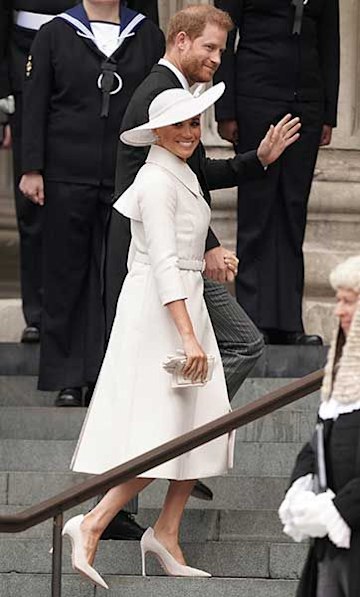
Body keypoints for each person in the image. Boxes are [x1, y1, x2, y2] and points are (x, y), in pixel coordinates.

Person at [63, 80, 300, 590]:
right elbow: (165, 267)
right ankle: (93, 522)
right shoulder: (153, 182)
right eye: (180, 124)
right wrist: (190, 338)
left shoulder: (180, 174)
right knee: (169, 432)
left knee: (203, 424)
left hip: (185, 302)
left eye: (195, 124)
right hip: (160, 314)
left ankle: (166, 532)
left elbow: (184, 254)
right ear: (157, 132)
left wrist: (211, 260)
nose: (190, 133)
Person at [106, 2, 301, 509]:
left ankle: (173, 468)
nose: (218, 58)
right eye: (210, 47)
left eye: (221, 48)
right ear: (182, 41)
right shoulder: (161, 93)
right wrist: (210, 246)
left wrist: (255, 160)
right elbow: (149, 186)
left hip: (175, 262)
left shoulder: (173, 92)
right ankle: (182, 453)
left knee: (165, 374)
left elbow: (191, 176)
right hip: (161, 265)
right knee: (216, 355)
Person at [19, 0, 164, 408]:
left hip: (124, 174)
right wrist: (32, 168)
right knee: (66, 277)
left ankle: (109, 373)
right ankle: (68, 377)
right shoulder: (54, 34)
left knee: (116, 277)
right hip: (66, 172)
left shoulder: (147, 35)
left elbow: (159, 105)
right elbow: (36, 104)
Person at [214, 0, 340, 345]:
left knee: (292, 208)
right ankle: (252, 320)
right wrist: (225, 109)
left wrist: (329, 113)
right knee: (258, 208)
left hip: (307, 101)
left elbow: (330, 41)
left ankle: (288, 323)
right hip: (256, 95)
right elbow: (224, 32)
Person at [278, 255, 360, 597]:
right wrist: (301, 486)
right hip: (333, 545)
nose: (339, 311)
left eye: (349, 301)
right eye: (337, 301)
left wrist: (338, 511)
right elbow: (318, 442)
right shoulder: (342, 378)